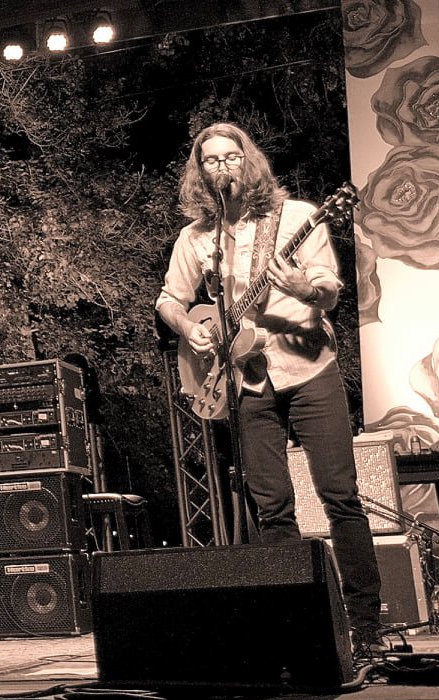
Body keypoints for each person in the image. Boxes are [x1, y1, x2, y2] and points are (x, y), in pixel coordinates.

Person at [156, 122, 384, 654]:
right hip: (245, 383)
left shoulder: (300, 217)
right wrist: (193, 328)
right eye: (210, 160)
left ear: (248, 161)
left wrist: (302, 286)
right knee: (272, 507)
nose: (222, 168)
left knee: (340, 497)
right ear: (199, 172)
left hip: (309, 371)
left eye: (231, 157)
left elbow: (328, 292)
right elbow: (169, 299)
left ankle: (366, 622)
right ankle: (298, 621)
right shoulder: (196, 239)